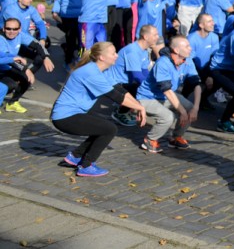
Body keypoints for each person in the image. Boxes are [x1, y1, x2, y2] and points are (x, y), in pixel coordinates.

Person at [51, 42, 147, 177]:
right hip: (65, 117)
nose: (116, 56)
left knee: (100, 126)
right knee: (109, 129)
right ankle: (86, 166)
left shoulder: (101, 70)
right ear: (101, 57)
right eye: (113, 53)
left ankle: (75, 157)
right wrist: (139, 107)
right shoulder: (91, 72)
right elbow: (115, 97)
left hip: (73, 114)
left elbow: (120, 90)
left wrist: (138, 105)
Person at [136, 36, 202, 153]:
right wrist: (181, 111)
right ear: (176, 50)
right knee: (168, 117)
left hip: (167, 95)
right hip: (147, 98)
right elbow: (166, 90)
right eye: (187, 46)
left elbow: (197, 85)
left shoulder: (188, 60)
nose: (190, 49)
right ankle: (150, 140)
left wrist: (195, 108)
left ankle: (176, 137)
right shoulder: (163, 63)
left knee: (189, 108)